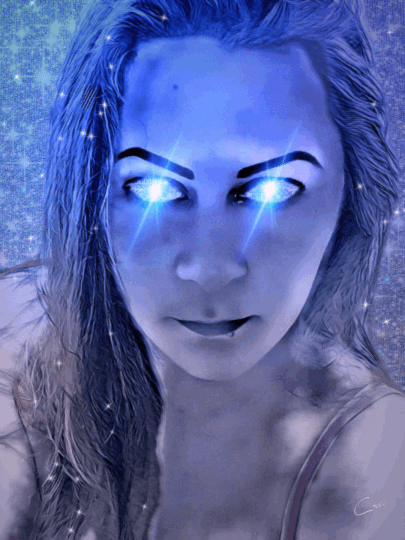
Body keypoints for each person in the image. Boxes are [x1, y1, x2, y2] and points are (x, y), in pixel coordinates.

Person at [0, 0, 404, 538]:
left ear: (351, 198)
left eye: (272, 190)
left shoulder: (374, 462)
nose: (210, 268)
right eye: (154, 187)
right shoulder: (18, 339)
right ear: (91, 191)